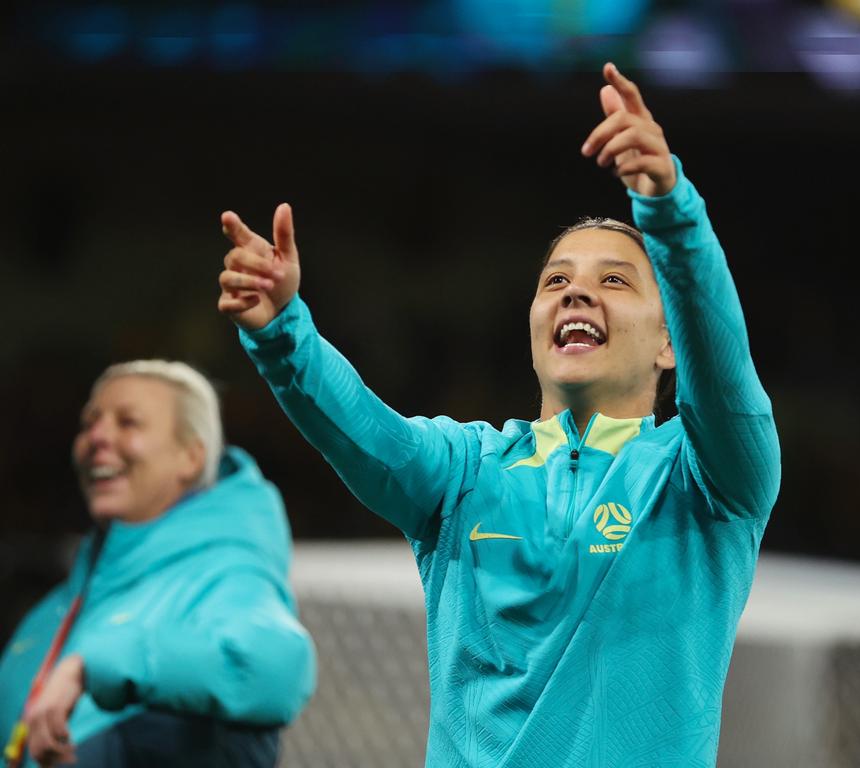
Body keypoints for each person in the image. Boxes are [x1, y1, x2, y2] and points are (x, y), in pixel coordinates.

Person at [217, 63, 780, 766]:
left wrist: (669, 210)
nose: (576, 294)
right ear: (535, 326)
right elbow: (365, 431)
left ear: (670, 342)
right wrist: (283, 335)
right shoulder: (463, 473)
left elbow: (723, 369)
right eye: (556, 282)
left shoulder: (709, 482)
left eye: (614, 280)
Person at [0, 360, 316, 768]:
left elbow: (278, 668)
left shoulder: (224, 575)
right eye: (89, 423)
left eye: (127, 422)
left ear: (190, 456)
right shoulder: (62, 602)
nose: (97, 437)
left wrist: (90, 666)